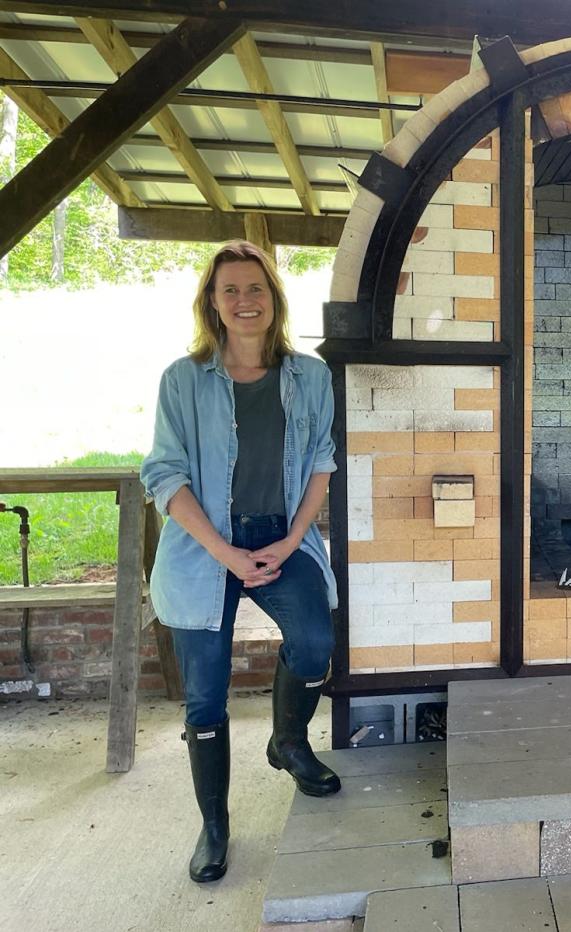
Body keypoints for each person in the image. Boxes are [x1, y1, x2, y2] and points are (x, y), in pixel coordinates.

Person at [140, 241, 341, 883]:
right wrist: (224, 551)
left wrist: (288, 542)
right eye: (230, 290)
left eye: (255, 288)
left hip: (283, 537)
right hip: (205, 549)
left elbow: (320, 465)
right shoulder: (183, 377)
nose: (244, 301)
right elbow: (165, 474)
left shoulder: (309, 376)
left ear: (273, 298)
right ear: (213, 302)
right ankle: (215, 827)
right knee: (204, 697)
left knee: (314, 642)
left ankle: (287, 740)